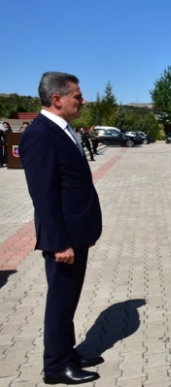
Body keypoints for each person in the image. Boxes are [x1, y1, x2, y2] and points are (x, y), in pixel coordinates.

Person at [19, 72, 103, 384]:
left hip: (75, 233)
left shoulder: (63, 130)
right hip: (62, 238)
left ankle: (67, 351)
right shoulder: (39, 134)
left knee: (68, 299)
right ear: (57, 100)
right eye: (77, 96)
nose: (83, 101)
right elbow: (44, 196)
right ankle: (55, 366)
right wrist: (59, 243)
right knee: (61, 301)